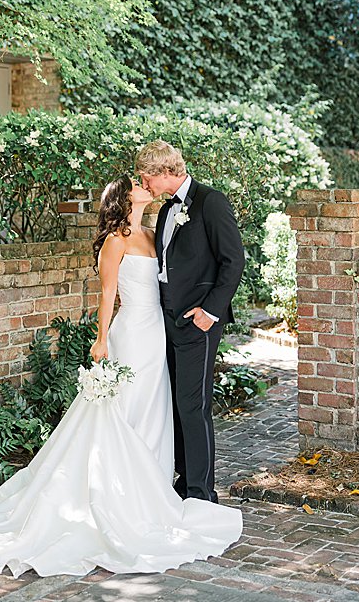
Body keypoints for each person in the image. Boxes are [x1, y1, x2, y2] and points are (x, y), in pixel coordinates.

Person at [0, 177, 242, 578]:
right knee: (125, 409)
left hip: (158, 333)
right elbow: (107, 295)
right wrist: (101, 340)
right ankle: (119, 497)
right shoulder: (116, 239)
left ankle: (152, 489)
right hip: (131, 335)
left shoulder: (153, 230)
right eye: (137, 184)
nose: (145, 185)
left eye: (146, 180)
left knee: (155, 407)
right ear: (124, 198)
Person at [137, 140, 246, 503]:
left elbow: (234, 261)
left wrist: (209, 312)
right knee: (174, 402)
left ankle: (201, 493)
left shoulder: (210, 202)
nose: (144, 184)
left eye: (145, 176)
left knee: (193, 404)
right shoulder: (167, 210)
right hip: (163, 318)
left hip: (197, 320)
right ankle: (182, 484)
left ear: (164, 172)